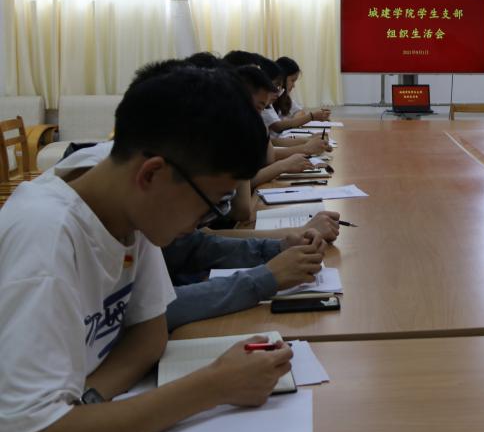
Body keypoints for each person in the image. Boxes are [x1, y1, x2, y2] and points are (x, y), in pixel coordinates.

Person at [0, 64, 293, 432]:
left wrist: (86, 404)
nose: (206, 221)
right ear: (152, 174)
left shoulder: (129, 209)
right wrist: (214, 385)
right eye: (211, 203)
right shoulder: (45, 238)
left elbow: (148, 336)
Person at [49, 141, 332, 331]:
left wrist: (275, 248)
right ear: (151, 174)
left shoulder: (135, 197)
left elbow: (190, 248)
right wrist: (265, 278)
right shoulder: (50, 243)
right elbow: (154, 316)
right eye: (208, 207)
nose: (199, 224)